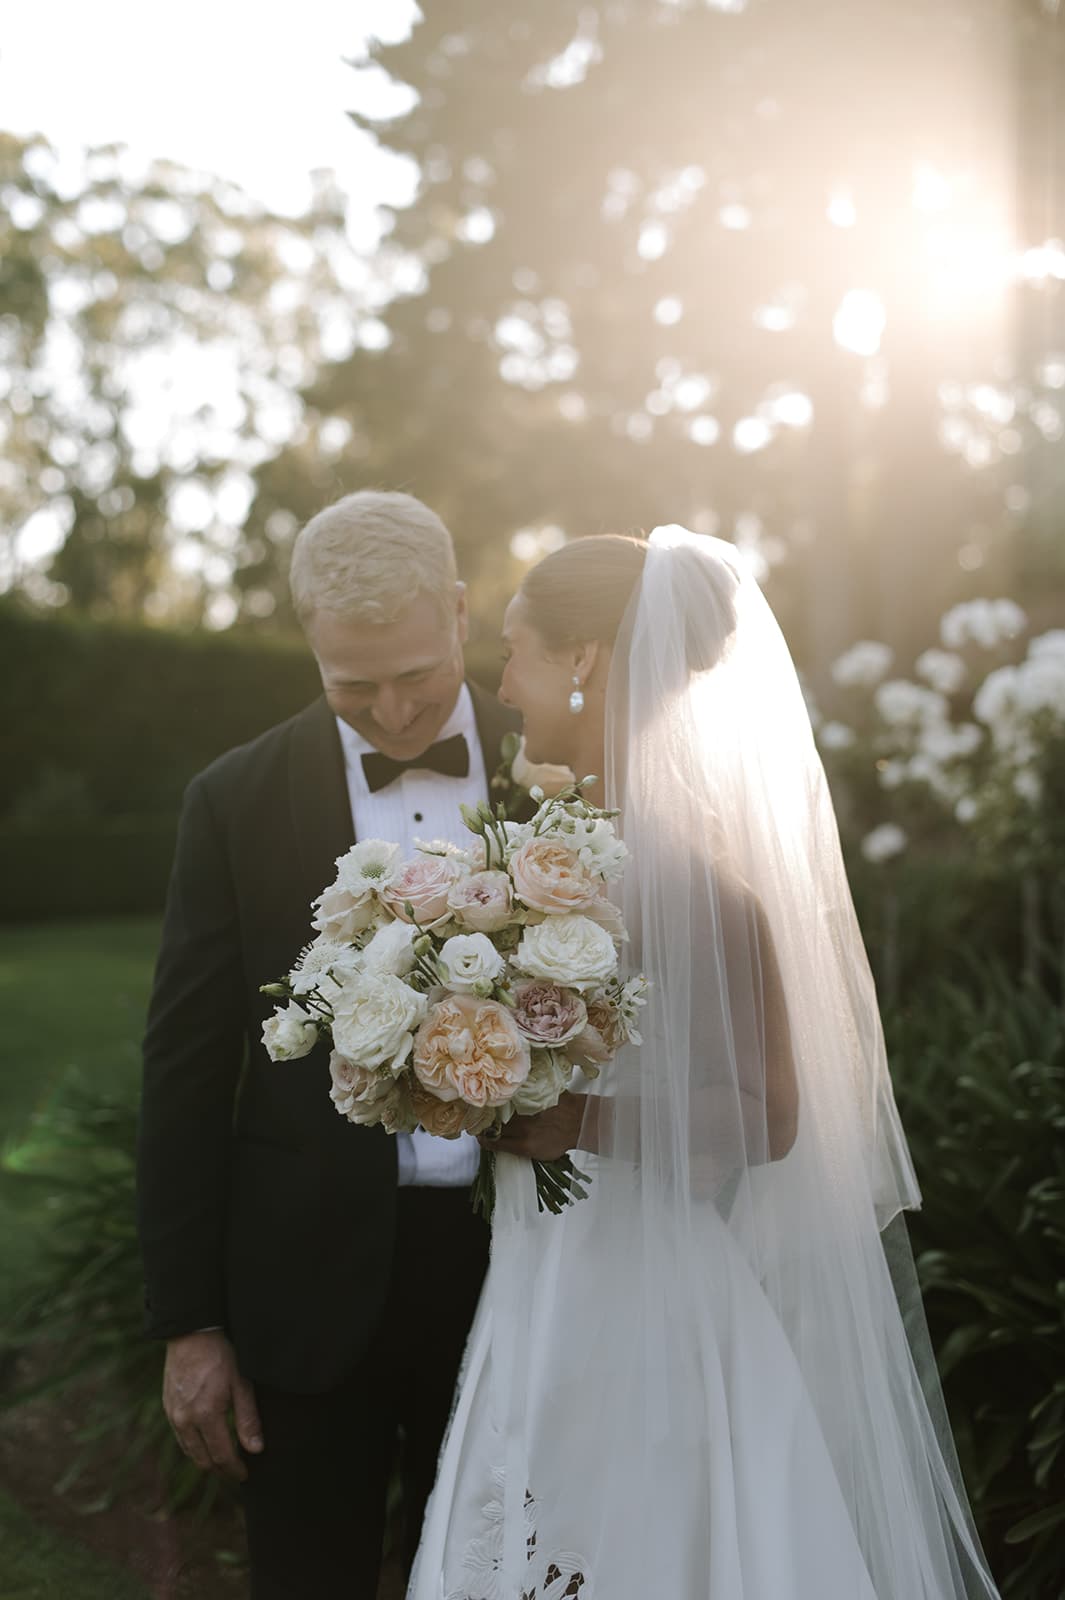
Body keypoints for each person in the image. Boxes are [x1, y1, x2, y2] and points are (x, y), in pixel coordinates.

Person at [409, 527, 1001, 1600]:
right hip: (541, 1266)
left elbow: (771, 1113)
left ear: (584, 659)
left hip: (642, 1290)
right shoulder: (526, 867)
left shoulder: (697, 882)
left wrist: (579, 1123)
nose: (504, 683)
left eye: (519, 651)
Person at [136, 490, 521, 1599]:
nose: (395, 712)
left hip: (523, 1271)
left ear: (459, 610)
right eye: (354, 685)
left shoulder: (561, 766)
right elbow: (187, 1065)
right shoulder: (234, 800)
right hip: (300, 1289)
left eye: (416, 673)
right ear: (308, 640)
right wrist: (191, 1324)